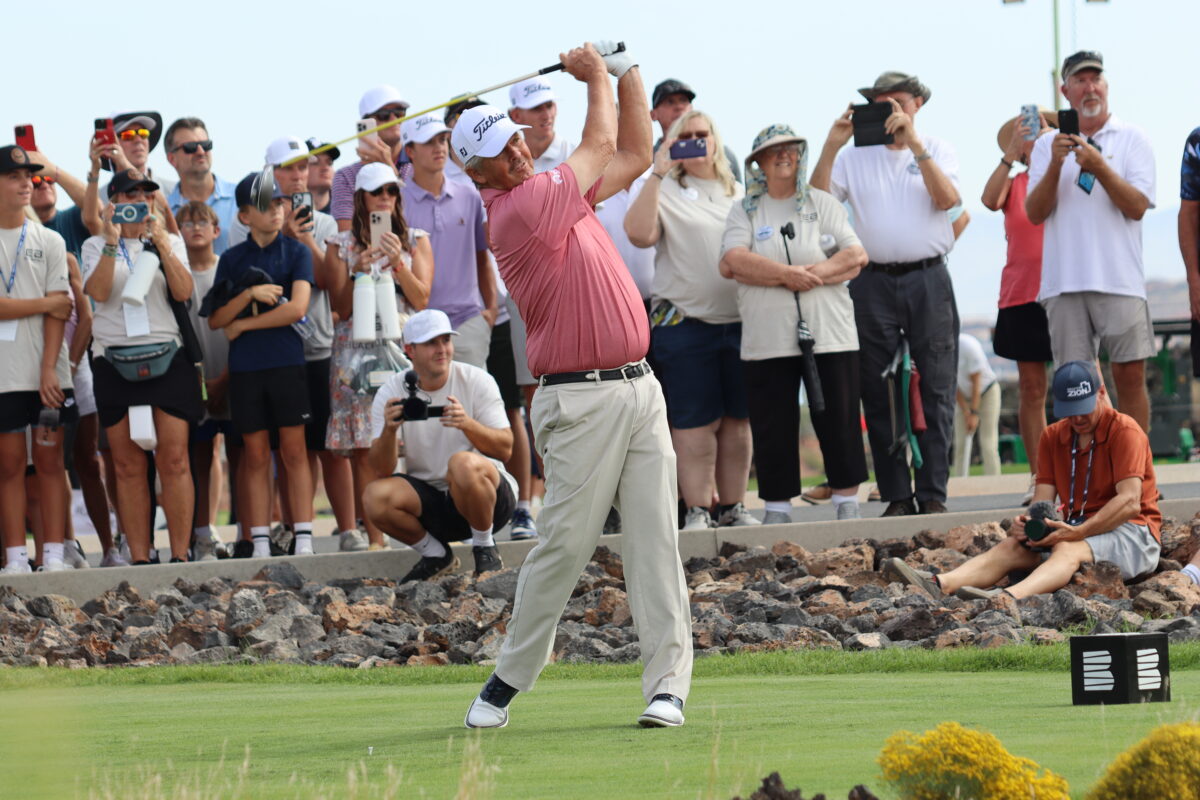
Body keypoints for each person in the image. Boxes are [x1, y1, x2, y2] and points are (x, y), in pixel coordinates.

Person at [458, 41, 692, 730]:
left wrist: (628, 70)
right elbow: (597, 141)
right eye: (502, 153)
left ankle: (667, 687)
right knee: (565, 543)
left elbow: (634, 150)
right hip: (579, 399)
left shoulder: (553, 194)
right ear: (478, 173)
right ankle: (506, 680)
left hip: (639, 387)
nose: (519, 154)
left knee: (655, 539)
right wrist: (595, 78)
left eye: (517, 141)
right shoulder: (519, 209)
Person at [811, 70, 962, 517]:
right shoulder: (855, 157)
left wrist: (916, 146)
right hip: (872, 280)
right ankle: (896, 493)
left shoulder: (937, 149)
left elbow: (947, 200)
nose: (889, 111)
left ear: (917, 104)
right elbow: (817, 204)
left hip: (928, 278)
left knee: (936, 385)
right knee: (876, 389)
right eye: (879, 103)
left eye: (896, 102)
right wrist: (832, 144)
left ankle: (933, 492)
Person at [887, 361, 1161, 600]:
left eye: (1084, 408)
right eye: (1070, 409)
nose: (1077, 417)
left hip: (1134, 535)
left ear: (1101, 393)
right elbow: (1042, 501)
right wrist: (1030, 526)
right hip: (1077, 528)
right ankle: (939, 584)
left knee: (1067, 547)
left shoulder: (1125, 431)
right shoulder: (1053, 436)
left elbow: (1129, 502)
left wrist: (1078, 532)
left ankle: (1007, 599)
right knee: (1014, 545)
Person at [721, 125, 869, 523]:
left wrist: (811, 273)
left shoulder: (822, 203)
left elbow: (855, 255)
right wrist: (788, 275)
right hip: (767, 338)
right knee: (773, 422)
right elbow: (733, 261)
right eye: (774, 151)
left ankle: (846, 501)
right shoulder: (745, 210)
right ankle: (777, 507)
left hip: (830, 332)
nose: (784, 156)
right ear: (758, 163)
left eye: (791, 149)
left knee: (838, 416)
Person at [624, 110, 756, 530]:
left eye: (704, 135)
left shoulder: (737, 192)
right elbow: (639, 234)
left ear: (716, 141)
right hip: (684, 323)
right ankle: (698, 508)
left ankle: (734, 506)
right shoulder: (665, 189)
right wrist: (657, 172)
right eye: (687, 136)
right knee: (694, 422)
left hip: (739, 322)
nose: (697, 142)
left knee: (737, 421)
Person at [1026, 51, 1155, 434]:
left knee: (1130, 378)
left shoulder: (1133, 139)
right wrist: (1053, 164)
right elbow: (1035, 213)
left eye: (1095, 79)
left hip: (1119, 279)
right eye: (1080, 81)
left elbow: (1136, 207)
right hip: (1064, 283)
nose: (1089, 87)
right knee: (1074, 387)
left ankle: (1138, 476)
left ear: (1106, 86)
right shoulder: (1046, 148)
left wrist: (1100, 167)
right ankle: (1083, 476)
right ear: (1065, 91)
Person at [81, 168, 201, 564]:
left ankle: (181, 555)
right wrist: (114, 242)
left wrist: (163, 244)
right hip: (114, 361)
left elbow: (184, 292)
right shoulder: (95, 246)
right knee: (128, 465)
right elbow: (97, 294)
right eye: (129, 196)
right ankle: (140, 558)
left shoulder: (169, 242)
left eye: (145, 195)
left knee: (174, 459)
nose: (139, 202)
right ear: (112, 204)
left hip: (167, 355)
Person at [444, 97, 539, 542]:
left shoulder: (512, 167)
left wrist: (490, 302)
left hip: (508, 309)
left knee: (514, 409)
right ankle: (478, 502)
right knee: (475, 410)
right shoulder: (464, 182)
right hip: (475, 316)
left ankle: (523, 506)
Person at [325, 163, 433, 548]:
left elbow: (421, 299)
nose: (386, 198)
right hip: (355, 351)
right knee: (362, 443)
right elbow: (337, 307)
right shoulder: (338, 244)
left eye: (392, 191)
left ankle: (419, 530)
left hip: (401, 346)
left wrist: (399, 263)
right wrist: (358, 270)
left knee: (413, 434)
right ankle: (375, 538)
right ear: (360, 199)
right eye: (378, 192)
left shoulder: (416, 239)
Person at [208, 172, 315, 558]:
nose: (275, 211)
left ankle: (303, 536)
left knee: (293, 450)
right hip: (246, 368)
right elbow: (216, 320)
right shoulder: (232, 260)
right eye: (265, 205)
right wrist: (249, 294)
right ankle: (260, 540)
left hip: (286, 361)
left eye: (278, 203)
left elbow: (297, 308)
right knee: (254, 454)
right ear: (244, 216)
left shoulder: (297, 251)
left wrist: (245, 323)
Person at [365, 309, 513, 578]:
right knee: (375, 496)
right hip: (432, 502)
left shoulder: (477, 379)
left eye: (446, 340)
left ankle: (485, 547)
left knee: (462, 463)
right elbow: (381, 470)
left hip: (488, 499)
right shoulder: (391, 391)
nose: (442, 349)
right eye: (431, 343)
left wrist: (467, 424)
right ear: (409, 349)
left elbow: (505, 448)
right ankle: (435, 555)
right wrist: (389, 431)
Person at [0, 145, 75, 574]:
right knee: (9, 465)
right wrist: (40, 304)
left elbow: (61, 309)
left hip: (48, 372)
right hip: (4, 374)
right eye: (14, 177)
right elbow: (47, 305)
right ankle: (15, 559)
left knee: (50, 461)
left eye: (29, 176)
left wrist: (49, 367)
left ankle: (53, 556)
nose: (27, 183)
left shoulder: (50, 239)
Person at [982, 109, 1058, 504]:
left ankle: (1099, 472)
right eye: (1024, 131)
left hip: (1064, 291)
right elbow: (988, 199)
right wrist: (1010, 152)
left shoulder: (1064, 174)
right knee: (1032, 389)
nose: (1033, 134)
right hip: (1021, 295)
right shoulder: (1013, 183)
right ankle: (1039, 477)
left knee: (1086, 381)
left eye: (1040, 127)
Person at [401, 113, 495, 369]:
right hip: (418, 323)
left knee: (473, 405)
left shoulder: (469, 194)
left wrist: (490, 310)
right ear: (410, 150)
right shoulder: (395, 201)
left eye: (443, 139)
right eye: (429, 141)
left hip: (468, 320)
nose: (440, 147)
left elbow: (481, 256)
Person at [178, 201, 230, 561]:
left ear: (216, 230)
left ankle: (246, 532)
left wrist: (224, 379)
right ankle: (201, 532)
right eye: (187, 222)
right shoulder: (176, 273)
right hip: (193, 377)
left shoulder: (226, 270)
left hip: (230, 372)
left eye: (203, 221)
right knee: (198, 451)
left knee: (240, 451)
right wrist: (200, 382)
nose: (195, 227)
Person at [332, 86, 410, 231]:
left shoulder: (419, 164)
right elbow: (346, 235)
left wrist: (389, 169)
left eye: (399, 113)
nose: (394, 119)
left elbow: (417, 217)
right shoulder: (345, 176)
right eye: (384, 115)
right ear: (366, 125)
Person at [164, 117, 238, 255]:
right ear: (172, 159)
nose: (200, 152)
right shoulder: (163, 212)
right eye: (190, 147)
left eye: (205, 145)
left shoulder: (241, 198)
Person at [649, 79, 742, 183]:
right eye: (670, 102)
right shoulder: (648, 159)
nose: (679, 107)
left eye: (683, 100)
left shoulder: (723, 154)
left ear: (691, 108)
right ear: (653, 115)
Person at [952, 332, 1000, 477]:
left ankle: (994, 482)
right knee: (960, 442)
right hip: (963, 398)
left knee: (988, 443)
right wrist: (966, 412)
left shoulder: (969, 346)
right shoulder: (940, 350)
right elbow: (952, 384)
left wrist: (974, 413)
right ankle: (960, 481)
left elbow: (976, 382)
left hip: (987, 392)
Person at [508, 79, 575, 174]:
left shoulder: (574, 155)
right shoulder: (509, 164)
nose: (547, 116)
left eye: (549, 106)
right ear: (516, 116)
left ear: (555, 108)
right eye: (536, 108)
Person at [306, 139, 340, 215]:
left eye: (329, 163)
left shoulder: (347, 213)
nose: (325, 168)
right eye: (315, 162)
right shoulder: (282, 213)